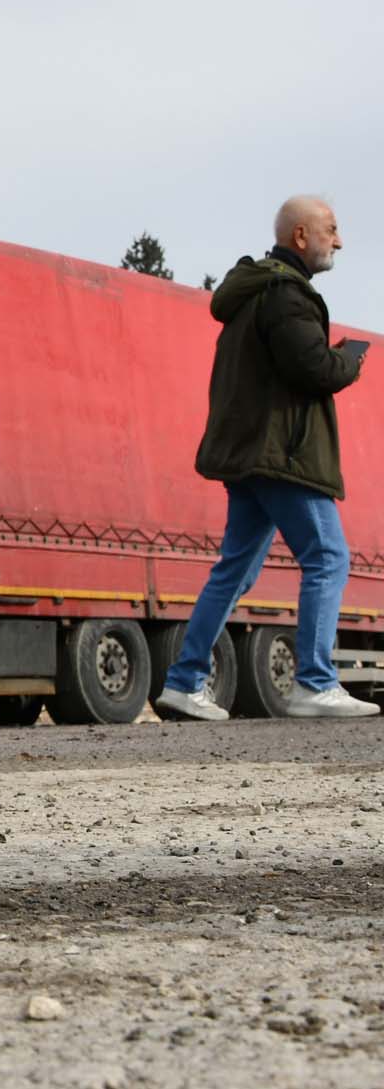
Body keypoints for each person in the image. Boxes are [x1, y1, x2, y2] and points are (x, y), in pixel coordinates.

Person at [158, 195, 379, 720]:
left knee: (233, 571)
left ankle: (184, 682)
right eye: (331, 229)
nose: (340, 240)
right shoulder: (286, 294)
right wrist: (349, 361)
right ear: (300, 235)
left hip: (250, 456)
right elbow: (313, 370)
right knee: (328, 558)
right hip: (283, 456)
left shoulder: (253, 294)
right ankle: (315, 682)